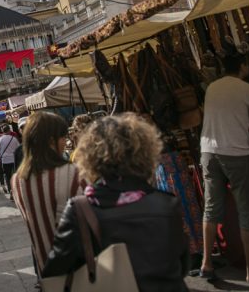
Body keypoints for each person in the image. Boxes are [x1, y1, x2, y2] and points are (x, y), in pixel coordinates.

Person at [42, 113, 189, 292]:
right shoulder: (167, 203)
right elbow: (182, 265)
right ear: (145, 152)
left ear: (90, 157)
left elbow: (54, 272)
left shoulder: (80, 211)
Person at [198, 54, 249, 287]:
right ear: (243, 66)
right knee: (248, 210)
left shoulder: (212, 88)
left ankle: (207, 263)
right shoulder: (248, 90)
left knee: (211, 207)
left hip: (208, 151)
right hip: (237, 153)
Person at [11, 112, 81, 276]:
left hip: (45, 267)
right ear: (51, 140)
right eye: (63, 137)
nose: (66, 142)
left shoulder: (17, 180)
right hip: (78, 269)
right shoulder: (72, 173)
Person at [0, 125, 20, 199]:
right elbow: (18, 149)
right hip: (13, 160)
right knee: (15, 176)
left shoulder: (0, 139)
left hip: (5, 160)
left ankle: (10, 191)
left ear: (3, 131)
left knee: (7, 177)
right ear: (9, 130)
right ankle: (16, 191)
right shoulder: (14, 139)